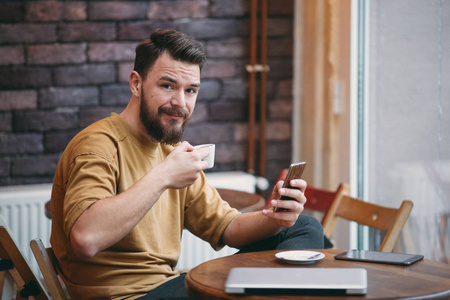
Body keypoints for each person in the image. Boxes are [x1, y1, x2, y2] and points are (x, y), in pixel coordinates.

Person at [50, 28, 324, 300]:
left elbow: (227, 227)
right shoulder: (97, 145)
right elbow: (85, 239)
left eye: (190, 90)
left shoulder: (170, 151)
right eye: (167, 85)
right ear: (136, 83)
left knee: (304, 227)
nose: (180, 102)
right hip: (128, 297)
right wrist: (163, 176)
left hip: (169, 288)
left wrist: (275, 218)